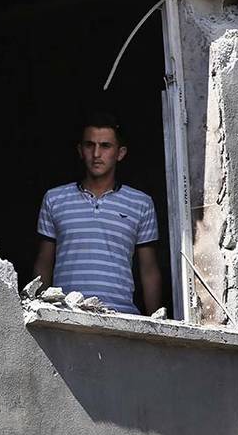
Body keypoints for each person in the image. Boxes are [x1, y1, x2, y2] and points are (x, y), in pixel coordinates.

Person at [33, 112, 163, 315]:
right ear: (80, 150)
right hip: (65, 316)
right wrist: (40, 312)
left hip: (122, 317)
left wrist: (158, 324)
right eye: (89, 145)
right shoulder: (54, 199)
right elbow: (44, 262)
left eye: (105, 146)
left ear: (120, 153)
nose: (96, 154)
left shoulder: (141, 203)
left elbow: (149, 270)